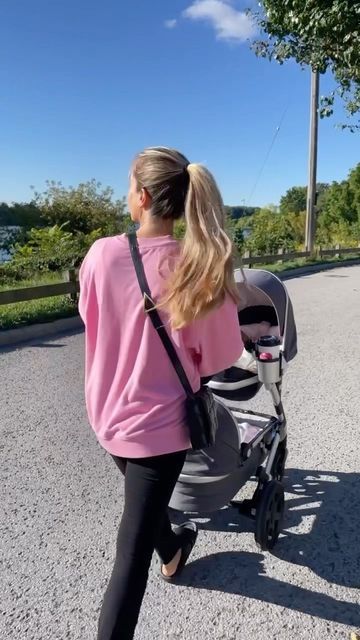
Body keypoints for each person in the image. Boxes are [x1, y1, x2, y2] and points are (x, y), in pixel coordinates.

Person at [79, 147, 244, 640]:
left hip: (107, 418)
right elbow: (216, 359)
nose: (127, 194)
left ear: (144, 195)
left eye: (129, 186)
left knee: (142, 510)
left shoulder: (101, 254)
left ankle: (172, 550)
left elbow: (93, 321)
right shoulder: (197, 269)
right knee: (131, 549)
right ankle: (167, 551)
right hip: (161, 430)